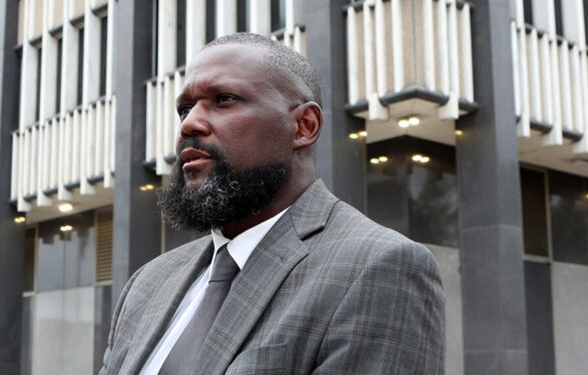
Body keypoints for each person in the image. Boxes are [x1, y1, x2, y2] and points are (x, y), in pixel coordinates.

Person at [99, 33, 445, 375]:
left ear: (303, 126)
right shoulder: (148, 283)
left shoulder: (378, 267)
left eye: (224, 99)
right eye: (185, 109)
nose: (189, 123)